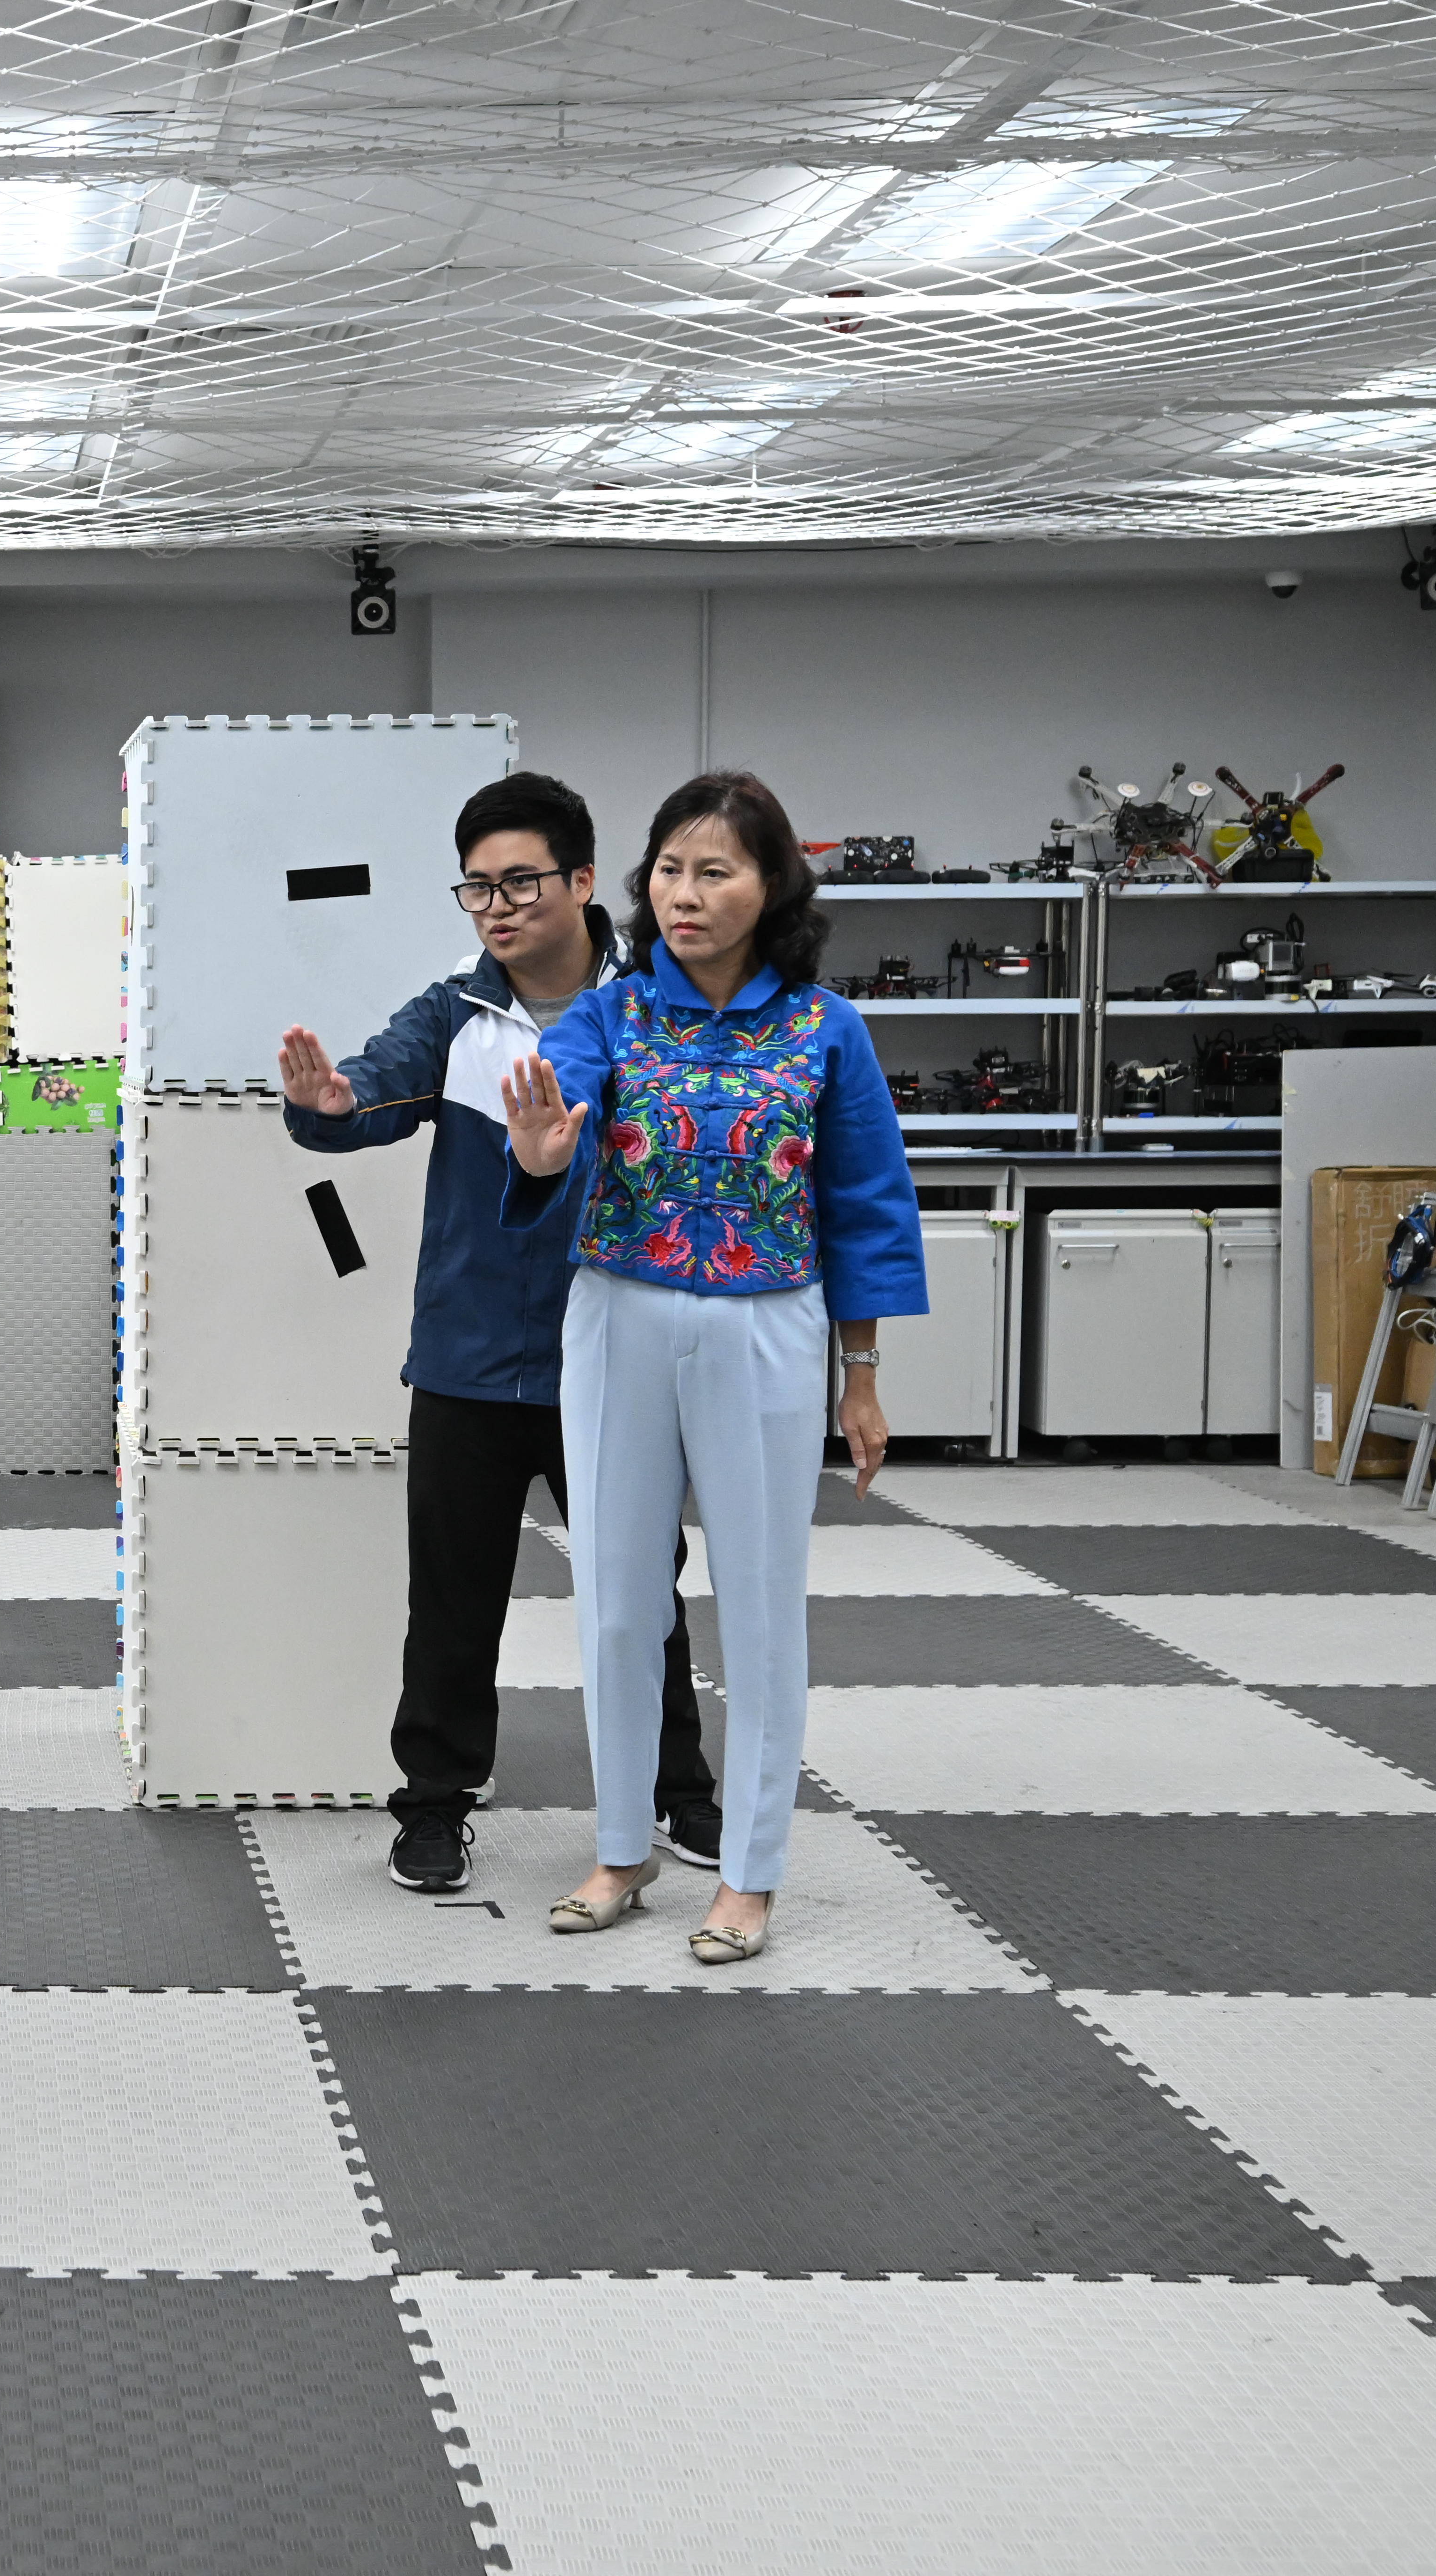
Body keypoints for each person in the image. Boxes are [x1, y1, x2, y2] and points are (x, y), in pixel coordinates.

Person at [497, 770, 924, 1965]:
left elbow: (867, 1206)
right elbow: (559, 1112)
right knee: (616, 1597)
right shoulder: (612, 1014)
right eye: (670, 872)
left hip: (769, 1323)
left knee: (762, 1598)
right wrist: (541, 1153)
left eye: (714, 872)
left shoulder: (827, 1029)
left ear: (772, 886)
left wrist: (862, 1374)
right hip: (618, 1313)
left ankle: (750, 1873)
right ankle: (621, 1850)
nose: (683, 895)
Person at [275, 771, 722, 1900]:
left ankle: (679, 1788)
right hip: (467, 1361)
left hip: (614, 1356)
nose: (498, 907)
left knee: (642, 1591)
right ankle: (433, 1805)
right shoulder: (453, 1016)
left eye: (521, 882)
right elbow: (364, 1096)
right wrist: (327, 1105)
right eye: (477, 888)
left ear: (583, 881)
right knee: (453, 1601)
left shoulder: (656, 1011)